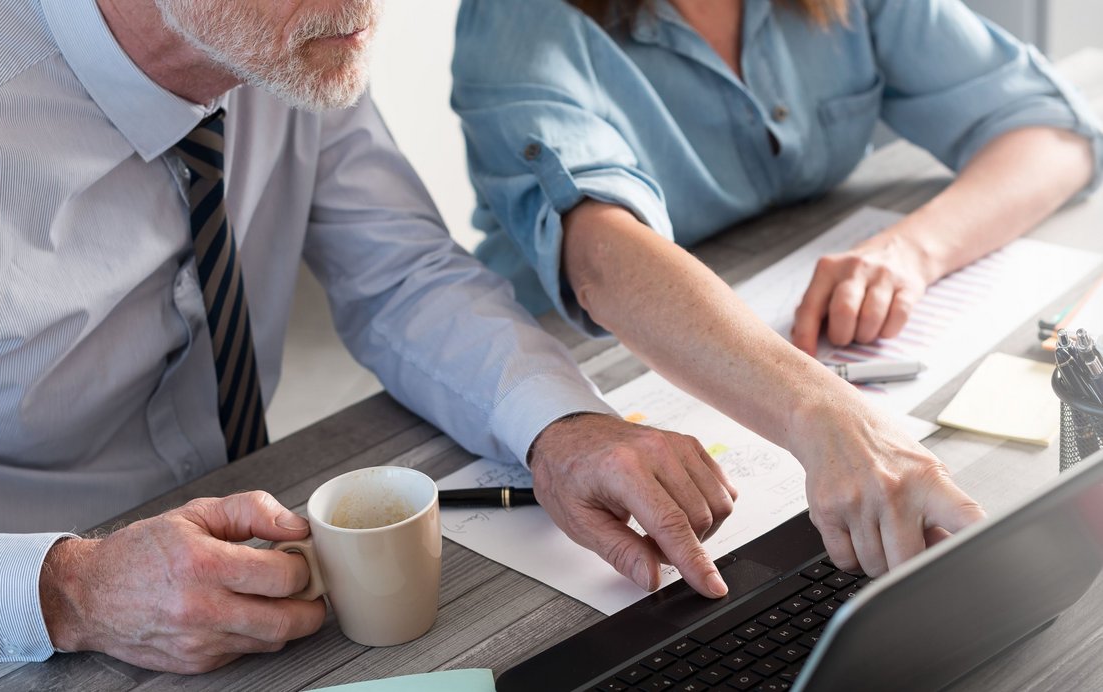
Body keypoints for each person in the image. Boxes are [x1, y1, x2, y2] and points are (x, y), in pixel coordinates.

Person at [0, 0, 981, 675]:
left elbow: (400, 273)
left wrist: (562, 427)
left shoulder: (292, 42)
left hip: (252, 599)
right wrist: (69, 591)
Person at [451, 0, 1100, 586]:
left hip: (756, 308)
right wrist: (827, 413)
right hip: (559, 362)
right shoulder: (518, 18)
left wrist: (913, 250)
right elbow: (600, 256)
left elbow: (1054, 133)